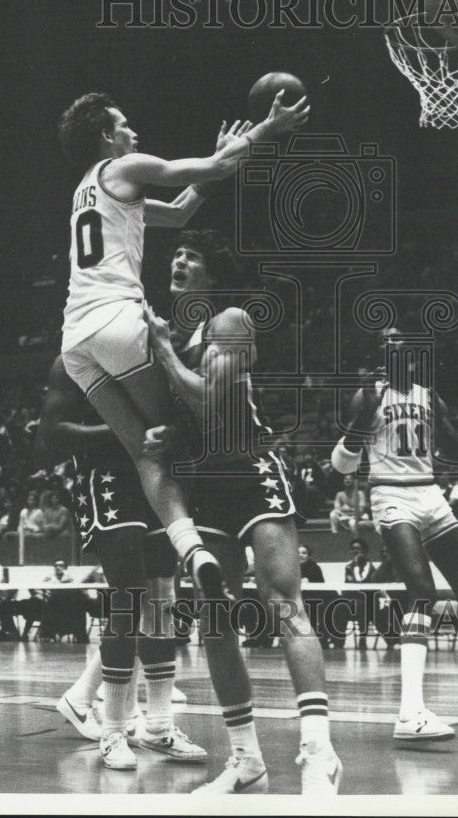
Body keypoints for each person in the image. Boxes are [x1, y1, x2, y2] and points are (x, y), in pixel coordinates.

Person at [58, 91, 308, 599]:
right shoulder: (123, 164)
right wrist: (264, 127)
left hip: (75, 339)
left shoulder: (86, 192)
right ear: (106, 136)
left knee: (144, 452)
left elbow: (176, 211)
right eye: (124, 124)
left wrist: (216, 168)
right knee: (181, 430)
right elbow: (211, 166)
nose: (134, 132)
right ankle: (215, 539)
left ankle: (190, 548)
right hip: (117, 319)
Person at [144, 229, 343, 795]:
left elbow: (212, 398)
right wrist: (167, 433)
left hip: (249, 470)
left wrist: (161, 352)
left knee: (282, 600)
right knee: (213, 615)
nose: (179, 261)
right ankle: (245, 758)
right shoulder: (177, 339)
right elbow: (190, 415)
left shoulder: (229, 321)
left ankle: (318, 753)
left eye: (193, 256)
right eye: (176, 254)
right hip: (203, 483)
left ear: (210, 276)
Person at [37, 355, 207, 771]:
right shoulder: (72, 360)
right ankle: (113, 730)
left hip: (155, 475)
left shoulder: (152, 356)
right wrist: (126, 433)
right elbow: (52, 434)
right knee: (128, 599)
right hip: (105, 479)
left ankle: (159, 725)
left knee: (163, 600)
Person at [331, 327, 458, 742]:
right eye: (385, 340)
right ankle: (409, 713)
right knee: (421, 592)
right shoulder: (368, 396)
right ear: (380, 352)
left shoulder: (429, 397)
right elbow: (342, 466)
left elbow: (455, 452)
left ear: (411, 355)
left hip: (431, 493)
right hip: (390, 496)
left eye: (399, 340)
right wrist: (363, 418)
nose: (392, 343)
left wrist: (455, 435)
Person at [343, 538, 378, 649]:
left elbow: (366, 584)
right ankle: (337, 642)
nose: (355, 551)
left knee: (363, 605)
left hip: (368, 601)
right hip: (352, 601)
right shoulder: (348, 567)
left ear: (364, 551)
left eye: (358, 548)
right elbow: (348, 586)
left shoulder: (371, 567)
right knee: (337, 606)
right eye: (353, 549)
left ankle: (363, 638)